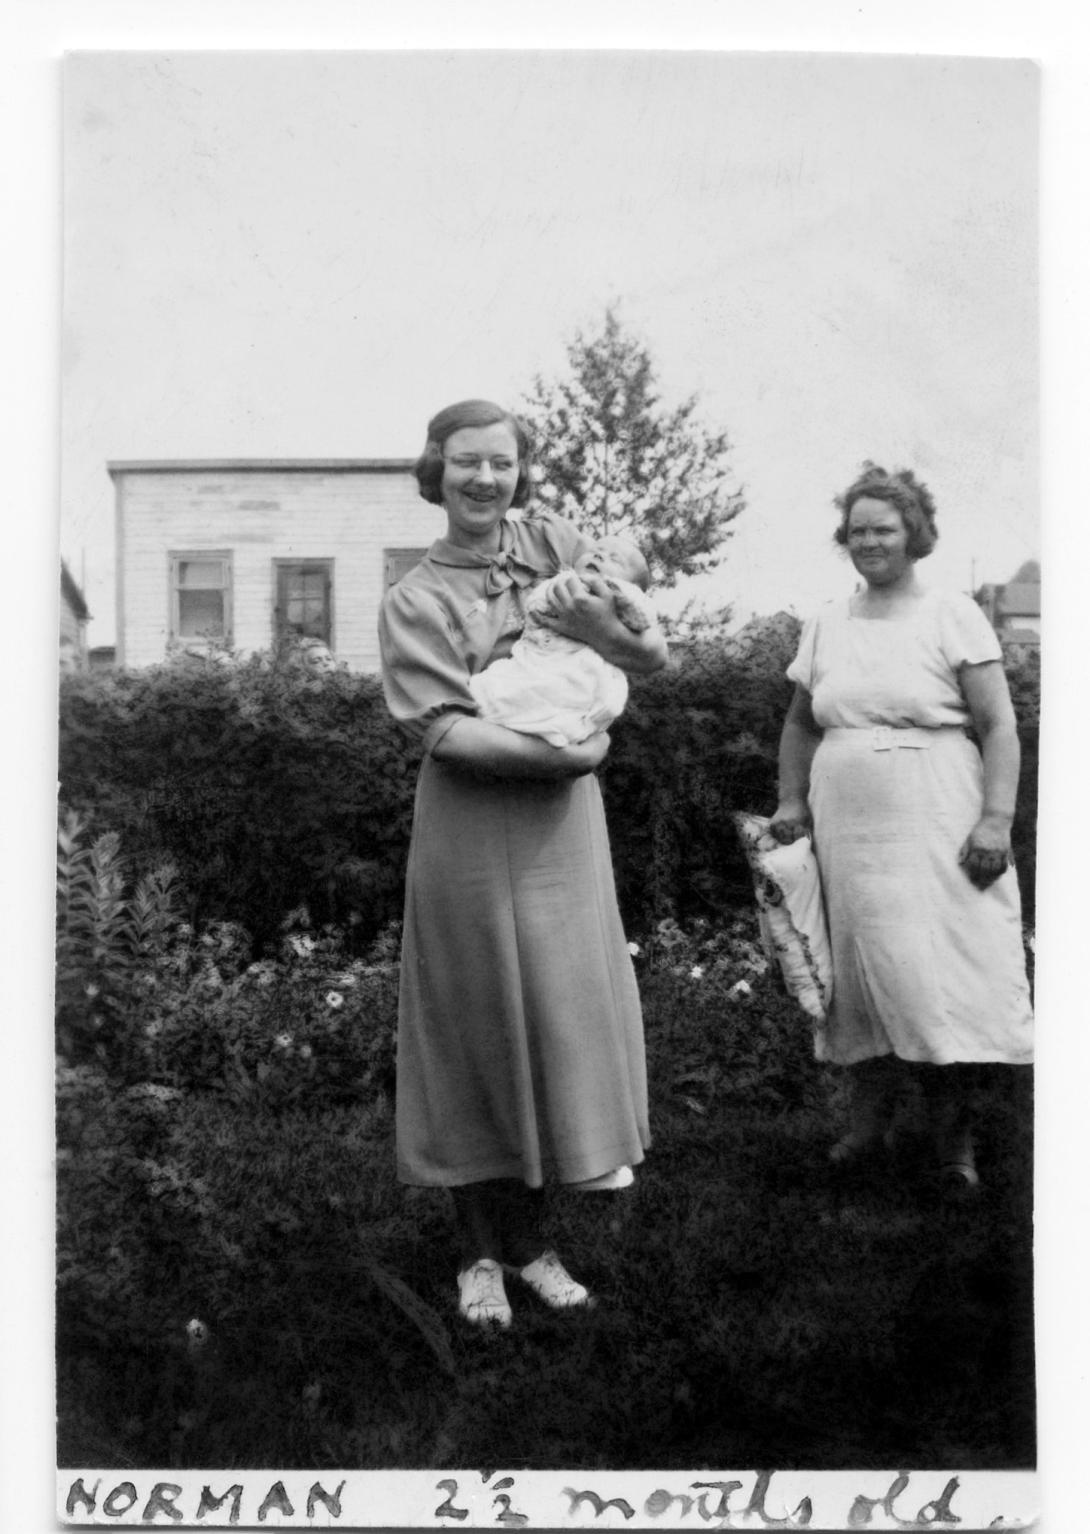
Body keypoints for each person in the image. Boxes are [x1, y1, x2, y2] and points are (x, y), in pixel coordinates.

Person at [378, 399, 668, 1328]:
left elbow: (646, 652)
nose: (483, 480)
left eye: (499, 463)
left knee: (551, 1020)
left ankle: (534, 1243)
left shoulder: (554, 542)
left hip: (556, 835)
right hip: (470, 828)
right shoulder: (413, 598)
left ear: (518, 470)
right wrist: (575, 755)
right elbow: (447, 733)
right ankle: (476, 1255)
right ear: (436, 471)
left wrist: (617, 650)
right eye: (465, 463)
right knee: (476, 1027)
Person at [770, 463, 1033, 1189]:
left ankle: (956, 1145)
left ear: (914, 535)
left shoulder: (952, 614)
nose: (868, 542)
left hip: (937, 812)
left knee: (937, 974)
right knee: (858, 974)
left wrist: (995, 820)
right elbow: (799, 724)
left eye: (883, 529)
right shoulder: (825, 621)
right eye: (856, 531)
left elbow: (1000, 726)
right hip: (848, 822)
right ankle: (867, 1129)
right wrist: (792, 801)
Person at [467, 535, 653, 747]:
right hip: (542, 654)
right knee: (505, 682)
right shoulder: (566, 578)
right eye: (595, 551)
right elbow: (536, 604)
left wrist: (620, 605)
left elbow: (642, 620)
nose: (600, 556)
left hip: (582, 661)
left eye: (615, 559)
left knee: (569, 689)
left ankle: (548, 726)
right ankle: (506, 715)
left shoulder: (623, 592)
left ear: (632, 582)